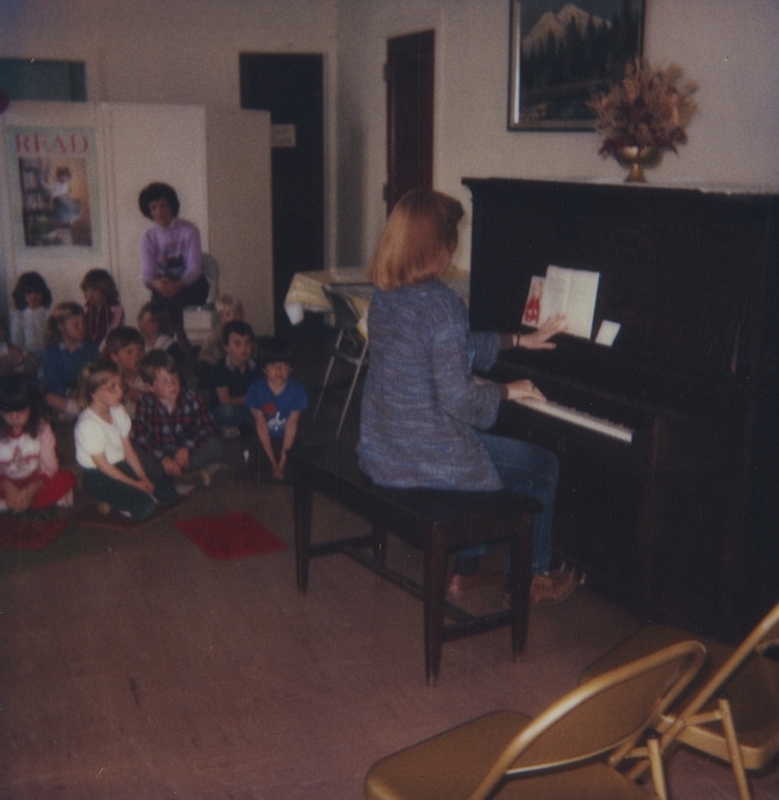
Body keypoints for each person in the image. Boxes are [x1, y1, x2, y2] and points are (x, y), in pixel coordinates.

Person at [356, 190, 575, 605]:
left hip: (385, 446)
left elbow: (447, 346)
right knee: (543, 466)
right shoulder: (443, 304)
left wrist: (517, 341)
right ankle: (528, 580)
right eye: (452, 235)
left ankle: (467, 570)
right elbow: (460, 400)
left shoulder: (385, 294)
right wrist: (507, 390)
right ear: (439, 244)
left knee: (486, 453)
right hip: (427, 458)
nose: (455, 244)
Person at [75, 361, 177, 519]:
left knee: (169, 493)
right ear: (93, 393)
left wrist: (143, 478)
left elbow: (128, 451)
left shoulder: (117, 410)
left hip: (121, 466)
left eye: (120, 385)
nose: (119, 392)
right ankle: (111, 501)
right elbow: (103, 466)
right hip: (98, 475)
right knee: (145, 507)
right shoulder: (88, 424)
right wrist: (135, 484)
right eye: (112, 388)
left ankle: (132, 496)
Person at [131, 350, 226, 486]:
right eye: (164, 381)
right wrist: (163, 458)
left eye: (174, 378)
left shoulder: (192, 399)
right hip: (159, 452)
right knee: (134, 449)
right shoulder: (145, 402)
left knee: (216, 445)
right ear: (150, 387)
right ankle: (181, 475)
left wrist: (187, 447)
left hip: (185, 453)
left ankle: (174, 475)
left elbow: (207, 427)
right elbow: (139, 434)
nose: (172, 385)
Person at [138, 182, 208, 351]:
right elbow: (148, 275)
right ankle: (172, 345)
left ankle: (176, 342)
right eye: (153, 207)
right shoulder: (148, 237)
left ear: (171, 206)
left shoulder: (189, 230)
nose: (159, 212)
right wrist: (158, 284)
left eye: (163, 206)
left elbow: (195, 268)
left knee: (169, 301)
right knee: (158, 305)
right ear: (149, 211)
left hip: (191, 284)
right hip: (163, 286)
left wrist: (178, 284)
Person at [0, 373, 76, 514]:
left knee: (67, 477)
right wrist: (7, 486)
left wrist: (31, 489)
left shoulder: (42, 429)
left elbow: (49, 465)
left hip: (35, 481)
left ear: (32, 407)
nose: (14, 417)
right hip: (5, 481)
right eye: (7, 412)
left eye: (21, 411)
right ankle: (20, 502)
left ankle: (19, 502)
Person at [245, 337, 308, 481]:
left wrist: (282, 463)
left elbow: (292, 425)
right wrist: (274, 463)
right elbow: (261, 425)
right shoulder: (255, 389)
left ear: (291, 368)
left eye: (284, 364)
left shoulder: (298, 390)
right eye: (273, 364)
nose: (279, 370)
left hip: (288, 437)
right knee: (257, 474)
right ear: (264, 368)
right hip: (265, 437)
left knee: (296, 472)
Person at [42, 302, 100, 419]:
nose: (82, 328)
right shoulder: (51, 352)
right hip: (65, 394)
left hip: (87, 392)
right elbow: (52, 381)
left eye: (83, 324)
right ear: (62, 328)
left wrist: (85, 391)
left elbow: (97, 372)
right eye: (76, 325)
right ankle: (83, 413)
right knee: (49, 397)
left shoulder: (90, 348)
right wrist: (69, 392)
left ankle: (86, 413)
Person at [209, 319, 261, 436]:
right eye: (237, 344)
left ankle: (239, 428)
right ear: (227, 347)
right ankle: (249, 425)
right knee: (227, 411)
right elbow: (225, 401)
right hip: (224, 410)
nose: (244, 348)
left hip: (249, 408)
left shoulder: (255, 367)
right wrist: (251, 398)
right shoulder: (220, 369)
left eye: (247, 342)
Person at [10, 271, 53, 372]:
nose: (33, 296)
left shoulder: (48, 314)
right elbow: (16, 342)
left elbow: (53, 337)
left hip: (47, 352)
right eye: (29, 293)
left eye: (37, 292)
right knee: (25, 372)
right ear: (22, 295)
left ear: (43, 293)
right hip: (26, 355)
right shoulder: (19, 316)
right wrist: (31, 359)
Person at [103, 326, 147, 418]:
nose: (137, 356)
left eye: (141, 350)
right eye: (129, 352)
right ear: (115, 357)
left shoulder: (150, 376)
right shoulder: (110, 379)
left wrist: (144, 399)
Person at [80, 268, 124, 351]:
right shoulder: (86, 309)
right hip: (87, 349)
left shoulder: (115, 309)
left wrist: (100, 350)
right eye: (87, 290)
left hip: (107, 349)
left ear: (105, 290)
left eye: (94, 290)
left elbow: (112, 332)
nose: (90, 294)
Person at [198, 294, 245, 367]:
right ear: (221, 317)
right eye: (228, 315)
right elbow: (203, 356)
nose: (232, 318)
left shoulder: (245, 331)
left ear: (242, 314)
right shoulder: (215, 335)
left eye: (236, 313)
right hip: (217, 366)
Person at [136, 301, 185, 366]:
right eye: (141, 319)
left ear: (160, 323)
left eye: (151, 321)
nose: (143, 325)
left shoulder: (171, 346)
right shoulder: (136, 342)